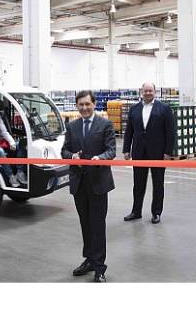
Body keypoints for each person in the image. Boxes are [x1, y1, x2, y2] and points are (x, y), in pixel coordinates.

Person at [62, 90, 116, 283]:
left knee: (98, 225)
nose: (84, 108)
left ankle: (100, 267)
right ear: (77, 106)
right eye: (81, 105)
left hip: (98, 183)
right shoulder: (72, 126)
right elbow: (64, 151)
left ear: (94, 104)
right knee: (85, 223)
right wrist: (72, 157)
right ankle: (90, 260)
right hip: (79, 183)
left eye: (87, 104)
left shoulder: (105, 124)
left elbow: (111, 150)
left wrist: (100, 158)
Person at [122, 82, 175, 224]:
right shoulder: (134, 109)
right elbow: (129, 131)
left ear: (155, 92)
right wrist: (126, 149)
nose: (148, 93)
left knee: (158, 184)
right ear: (141, 92)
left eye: (150, 91)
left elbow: (171, 132)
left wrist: (168, 152)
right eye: (145, 91)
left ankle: (156, 213)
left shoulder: (164, 109)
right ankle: (136, 211)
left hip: (158, 153)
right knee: (138, 184)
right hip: (139, 152)